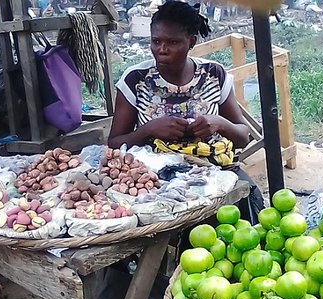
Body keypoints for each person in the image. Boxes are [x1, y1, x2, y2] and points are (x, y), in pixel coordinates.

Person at [108, 0, 264, 221]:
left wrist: (219, 123)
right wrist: (149, 130)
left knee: (250, 205)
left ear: (191, 42)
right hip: (158, 181)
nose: (162, 50)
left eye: (172, 42)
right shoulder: (136, 80)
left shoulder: (213, 75)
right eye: (156, 41)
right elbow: (114, 143)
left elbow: (243, 137)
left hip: (216, 172)